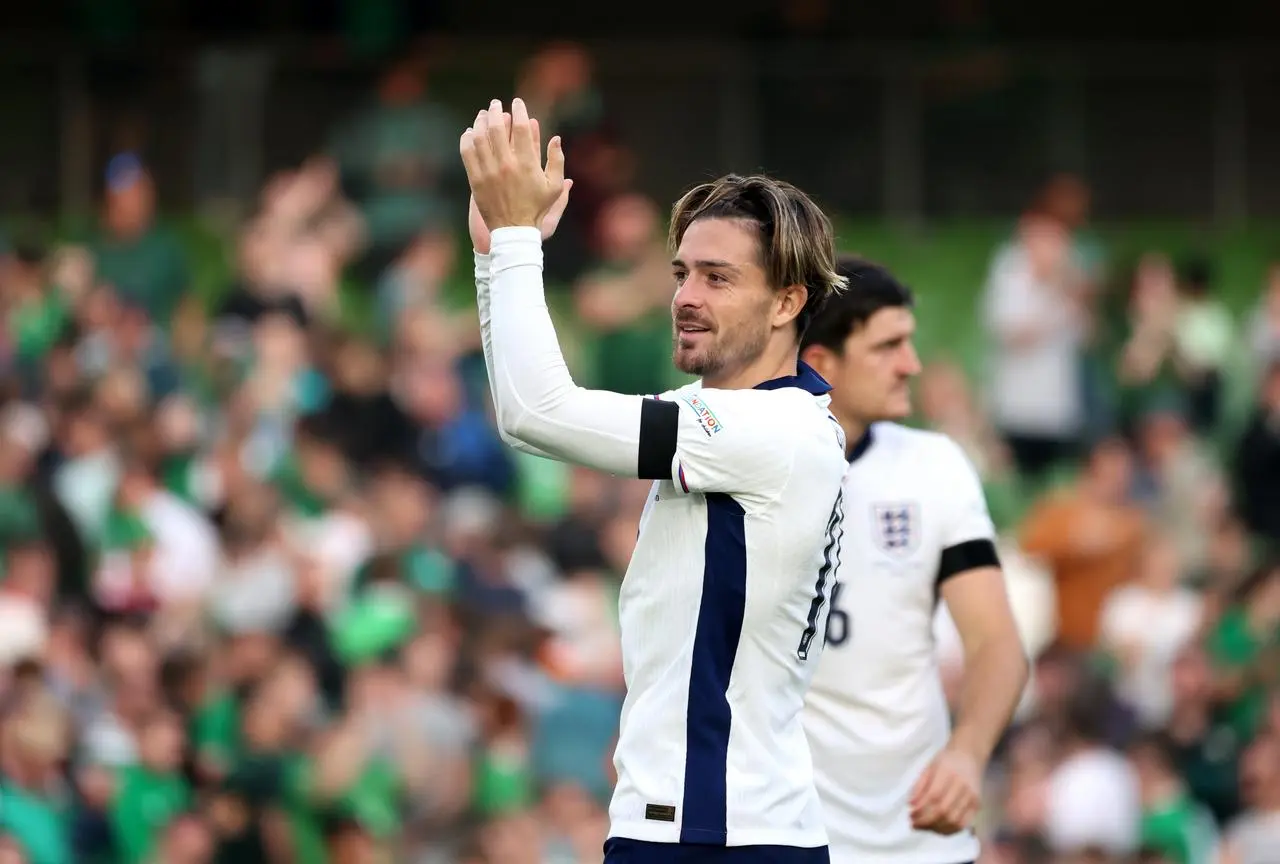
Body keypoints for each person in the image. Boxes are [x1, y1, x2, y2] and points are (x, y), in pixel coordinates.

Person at [460, 99, 848, 861]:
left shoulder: (767, 430)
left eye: (717, 277)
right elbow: (524, 416)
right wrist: (492, 258)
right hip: (718, 824)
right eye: (681, 274)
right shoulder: (740, 420)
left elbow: (542, 412)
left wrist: (513, 246)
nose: (686, 296)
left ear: (787, 301)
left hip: (710, 830)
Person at [798, 259, 1029, 863]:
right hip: (785, 833)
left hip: (919, 837)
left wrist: (968, 753)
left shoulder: (936, 466)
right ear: (822, 363)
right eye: (888, 347)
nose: (912, 364)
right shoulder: (746, 466)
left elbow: (996, 643)